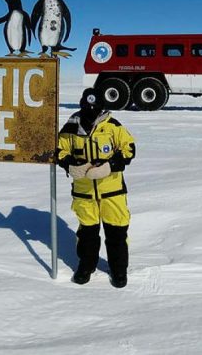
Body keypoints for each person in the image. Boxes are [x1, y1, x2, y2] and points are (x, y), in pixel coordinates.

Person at [56, 88, 136, 288]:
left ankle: (118, 269)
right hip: (84, 193)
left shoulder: (113, 126)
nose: (90, 112)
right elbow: (58, 150)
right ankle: (86, 266)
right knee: (87, 233)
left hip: (112, 191)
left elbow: (129, 149)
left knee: (116, 232)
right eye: (86, 108)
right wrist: (69, 164)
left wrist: (110, 166)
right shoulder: (71, 127)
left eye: (94, 108)